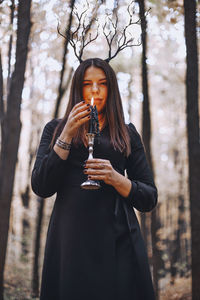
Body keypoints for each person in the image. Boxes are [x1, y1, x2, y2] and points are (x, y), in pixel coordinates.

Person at [31, 58, 158, 300]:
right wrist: (67, 133)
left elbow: (149, 198)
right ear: (79, 89)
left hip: (117, 241)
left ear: (111, 88)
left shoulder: (127, 133)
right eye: (88, 84)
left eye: (103, 83)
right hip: (70, 240)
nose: (96, 90)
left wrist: (116, 178)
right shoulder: (55, 129)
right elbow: (41, 185)